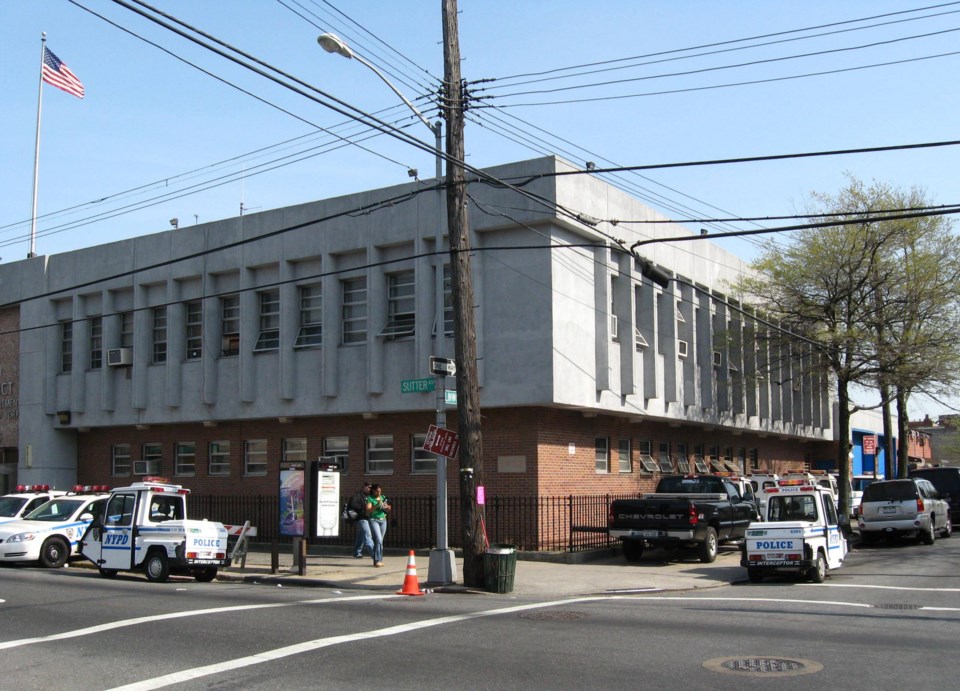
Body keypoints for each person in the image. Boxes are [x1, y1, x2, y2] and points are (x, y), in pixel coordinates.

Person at [365, 483, 391, 567]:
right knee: (378, 539)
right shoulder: (370, 498)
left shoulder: (383, 497)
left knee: (380, 541)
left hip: (383, 520)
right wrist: (376, 505)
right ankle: (377, 560)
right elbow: (368, 510)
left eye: (380, 491)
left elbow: (389, 508)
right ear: (373, 491)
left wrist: (387, 507)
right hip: (374, 520)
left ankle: (378, 560)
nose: (379, 493)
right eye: (377, 491)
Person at [349, 482, 373, 559]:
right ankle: (374, 553)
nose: (370, 489)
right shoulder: (358, 496)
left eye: (371, 487)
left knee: (361, 536)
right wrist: (363, 506)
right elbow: (352, 504)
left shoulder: (371, 496)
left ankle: (357, 552)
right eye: (368, 487)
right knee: (367, 534)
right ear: (363, 487)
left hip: (369, 517)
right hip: (361, 518)